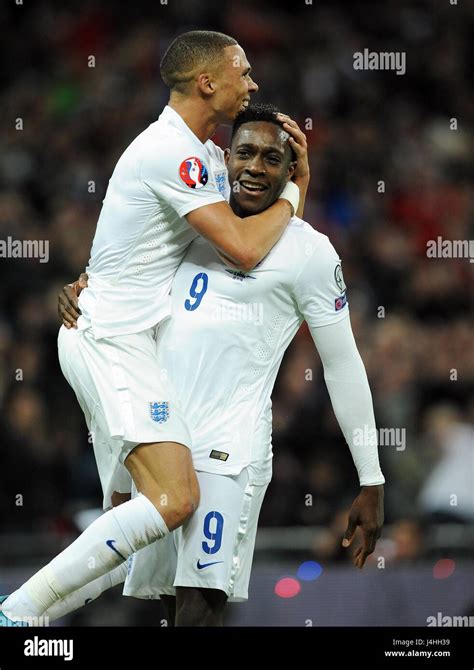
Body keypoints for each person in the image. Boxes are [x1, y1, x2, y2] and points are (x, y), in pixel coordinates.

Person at [0, 32, 309, 626]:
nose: (254, 83)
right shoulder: (173, 153)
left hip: (124, 340)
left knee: (134, 518)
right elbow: (246, 248)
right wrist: (297, 188)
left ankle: (28, 619)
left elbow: (269, 246)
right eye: (243, 72)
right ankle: (20, 612)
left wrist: (299, 181)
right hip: (112, 342)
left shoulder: (209, 158)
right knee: (175, 500)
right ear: (207, 83)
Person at [50, 104, 384, 627]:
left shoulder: (311, 253)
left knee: (199, 608)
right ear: (225, 158)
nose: (255, 166)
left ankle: (25, 612)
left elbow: (343, 366)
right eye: (245, 152)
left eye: (272, 159)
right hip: (164, 444)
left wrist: (371, 477)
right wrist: (86, 292)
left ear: (290, 172)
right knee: (164, 605)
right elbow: (128, 299)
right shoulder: (189, 230)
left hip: (230, 452)